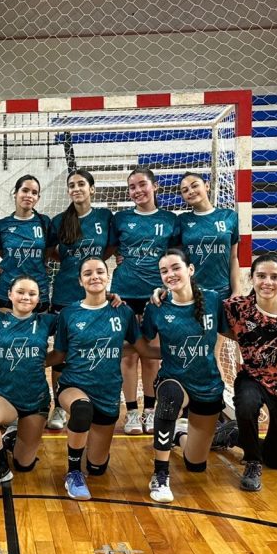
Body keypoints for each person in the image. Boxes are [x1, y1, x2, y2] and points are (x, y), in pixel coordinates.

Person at [50, 257, 150, 500]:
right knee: (82, 409)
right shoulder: (69, 313)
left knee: (97, 468)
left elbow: (142, 349)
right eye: (88, 273)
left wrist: (173, 350)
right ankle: (73, 472)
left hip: (107, 391)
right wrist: (29, 361)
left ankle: (90, 455)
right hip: (73, 384)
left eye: (99, 272)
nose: (94, 276)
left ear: (108, 276)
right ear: (80, 281)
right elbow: (59, 355)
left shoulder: (123, 311)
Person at [212, 252, 277, 491]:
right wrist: (162, 294)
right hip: (252, 377)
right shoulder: (236, 308)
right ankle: (252, 462)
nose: (267, 282)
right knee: (246, 404)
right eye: (261, 276)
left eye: (275, 277)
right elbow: (203, 306)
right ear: (252, 278)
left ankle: (233, 435)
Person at [139, 248, 228, 503]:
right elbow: (143, 344)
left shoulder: (213, 300)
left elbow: (229, 333)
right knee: (169, 398)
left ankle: (179, 435)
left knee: (195, 464)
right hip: (173, 377)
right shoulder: (157, 306)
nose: (170, 274)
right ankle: (160, 474)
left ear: (190, 269)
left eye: (175, 267)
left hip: (208, 384)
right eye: (164, 271)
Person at [111, 166, 179, 436]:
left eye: (142, 184)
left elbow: (176, 257)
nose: (137, 190)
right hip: (124, 294)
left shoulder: (170, 220)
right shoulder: (120, 219)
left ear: (155, 186)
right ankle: (131, 412)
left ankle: (150, 410)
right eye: (132, 187)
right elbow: (109, 248)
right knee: (127, 356)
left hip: (156, 295)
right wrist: (118, 258)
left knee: (151, 357)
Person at [47, 169, 115, 429]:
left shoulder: (104, 217)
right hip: (65, 294)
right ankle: (59, 406)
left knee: (93, 349)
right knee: (62, 353)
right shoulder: (59, 221)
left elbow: (110, 248)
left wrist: (93, 265)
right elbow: (51, 251)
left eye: (81, 184)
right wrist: (71, 264)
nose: (76, 188)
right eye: (72, 185)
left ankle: (90, 398)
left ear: (92, 189)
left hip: (95, 297)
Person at [0, 275, 56, 488]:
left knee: (24, 464)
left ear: (38, 299)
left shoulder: (47, 322)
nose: (26, 297)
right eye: (20, 292)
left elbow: (79, 317)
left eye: (32, 294)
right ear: (9, 294)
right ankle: (0, 467)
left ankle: (11, 438)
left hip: (36, 399)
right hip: (5, 396)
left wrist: (109, 297)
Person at [0, 174, 52, 311]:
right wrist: (7, 263)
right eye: (25, 190)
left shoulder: (45, 222)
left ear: (38, 198)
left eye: (34, 193)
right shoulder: (2, 225)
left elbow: (49, 251)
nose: (29, 195)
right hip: (8, 290)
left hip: (38, 291)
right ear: (15, 193)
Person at [176, 172, 242, 299]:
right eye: (185, 190)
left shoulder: (229, 216)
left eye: (195, 185)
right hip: (192, 293)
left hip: (223, 293)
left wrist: (237, 290)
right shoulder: (181, 220)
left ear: (207, 186)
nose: (191, 191)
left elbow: (233, 257)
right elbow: (177, 259)